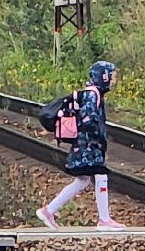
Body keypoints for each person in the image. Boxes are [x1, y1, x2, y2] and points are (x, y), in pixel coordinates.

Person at [35, 60, 124, 231]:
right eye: (111, 76)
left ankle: (48, 210)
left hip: (84, 144)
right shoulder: (93, 94)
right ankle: (104, 220)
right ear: (103, 76)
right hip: (88, 145)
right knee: (100, 175)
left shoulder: (93, 93)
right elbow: (88, 119)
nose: (113, 80)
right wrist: (97, 138)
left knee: (82, 180)